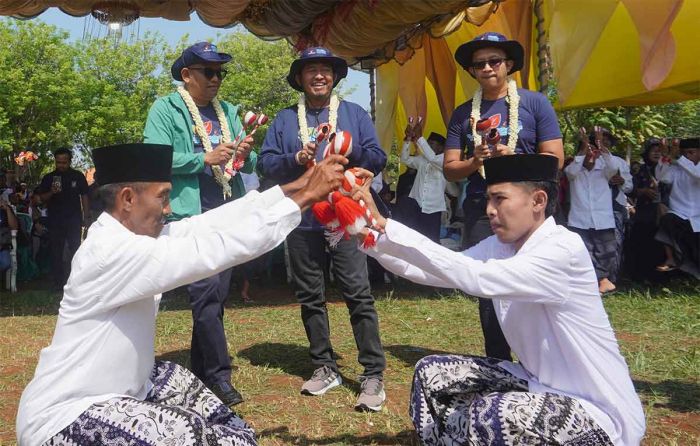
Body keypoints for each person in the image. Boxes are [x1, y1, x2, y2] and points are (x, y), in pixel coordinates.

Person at [16, 143, 349, 445]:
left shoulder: (132, 237)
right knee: (187, 432)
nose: (169, 208)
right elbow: (213, 249)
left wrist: (300, 185)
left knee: (211, 410)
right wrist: (306, 198)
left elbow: (205, 226)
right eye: (163, 196)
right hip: (64, 416)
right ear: (128, 199)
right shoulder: (108, 252)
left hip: (127, 389)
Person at [349, 154, 644, 445]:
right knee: (432, 373)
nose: (489, 210)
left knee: (493, 413)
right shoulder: (501, 246)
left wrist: (388, 224)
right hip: (538, 386)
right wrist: (372, 238)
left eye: (500, 199)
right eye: (489, 199)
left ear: (538, 201)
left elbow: (474, 277)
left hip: (600, 415)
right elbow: (441, 270)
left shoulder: (562, 249)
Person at [257, 46, 388, 411]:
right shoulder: (285, 120)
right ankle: (324, 366)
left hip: (346, 217)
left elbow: (379, 156)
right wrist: (295, 158)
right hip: (302, 217)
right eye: (311, 70)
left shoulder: (354, 114)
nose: (319, 76)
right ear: (299, 78)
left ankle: (372, 373)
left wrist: (350, 152)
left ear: (334, 77)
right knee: (309, 295)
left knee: (358, 292)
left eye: (325, 70)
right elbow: (266, 163)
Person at [143, 41, 257, 407]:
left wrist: (244, 153)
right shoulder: (166, 107)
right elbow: (153, 157)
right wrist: (202, 158)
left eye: (220, 72)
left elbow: (249, 167)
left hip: (226, 209)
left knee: (215, 294)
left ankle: (199, 365)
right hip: (187, 214)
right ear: (187, 74)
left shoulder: (228, 111)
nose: (216, 79)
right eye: (208, 72)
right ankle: (217, 376)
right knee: (206, 292)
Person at [443, 32, 564, 361]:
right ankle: (498, 363)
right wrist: (476, 161)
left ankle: (540, 361)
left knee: (534, 281)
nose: (487, 68)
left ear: (508, 65)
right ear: (472, 71)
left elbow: (555, 157)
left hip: (530, 208)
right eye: (479, 64)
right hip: (484, 207)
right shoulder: (463, 113)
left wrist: (512, 159)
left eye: (494, 61)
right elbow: (450, 169)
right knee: (490, 286)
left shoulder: (535, 103)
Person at [565, 127, 619, 294]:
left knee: (608, 253)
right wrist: (584, 146)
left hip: (603, 219)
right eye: (588, 151)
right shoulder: (573, 170)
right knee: (584, 253)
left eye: (594, 151)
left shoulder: (605, 170)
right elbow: (571, 171)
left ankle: (605, 281)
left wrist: (600, 144)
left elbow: (613, 166)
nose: (591, 154)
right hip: (579, 220)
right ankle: (600, 281)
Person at [38, 148, 89, 289]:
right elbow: (41, 198)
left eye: (64, 162)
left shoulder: (77, 176)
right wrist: (52, 192)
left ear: (70, 161)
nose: (61, 165)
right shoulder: (49, 177)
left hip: (74, 218)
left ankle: (77, 282)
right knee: (56, 250)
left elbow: (84, 195)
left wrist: (86, 216)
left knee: (76, 249)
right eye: (58, 162)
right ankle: (58, 282)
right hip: (55, 219)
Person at [654, 137, 699, 278]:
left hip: (698, 216)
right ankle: (671, 259)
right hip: (680, 213)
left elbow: (697, 174)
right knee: (667, 220)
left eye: (691, 152)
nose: (687, 156)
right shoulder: (676, 168)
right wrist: (666, 157)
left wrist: (678, 156)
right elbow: (662, 177)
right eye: (684, 153)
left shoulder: (685, 165)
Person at [400, 123, 450, 243]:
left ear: (441, 148)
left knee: (431, 243)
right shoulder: (422, 159)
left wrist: (420, 138)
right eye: (428, 143)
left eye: (431, 143)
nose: (427, 145)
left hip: (433, 209)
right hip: (416, 204)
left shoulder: (445, 160)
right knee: (415, 241)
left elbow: (432, 158)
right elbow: (404, 159)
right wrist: (408, 140)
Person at [629, 138, 667, 279]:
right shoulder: (640, 169)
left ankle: (662, 278)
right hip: (645, 213)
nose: (657, 153)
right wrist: (643, 191)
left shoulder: (668, 169)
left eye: (659, 150)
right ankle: (642, 276)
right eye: (653, 150)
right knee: (643, 243)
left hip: (664, 213)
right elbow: (630, 190)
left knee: (663, 243)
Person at [0, 194, 19, 272]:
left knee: (6, 262)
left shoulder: (6, 209)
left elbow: (14, 228)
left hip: (2, 244)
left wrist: (7, 208)